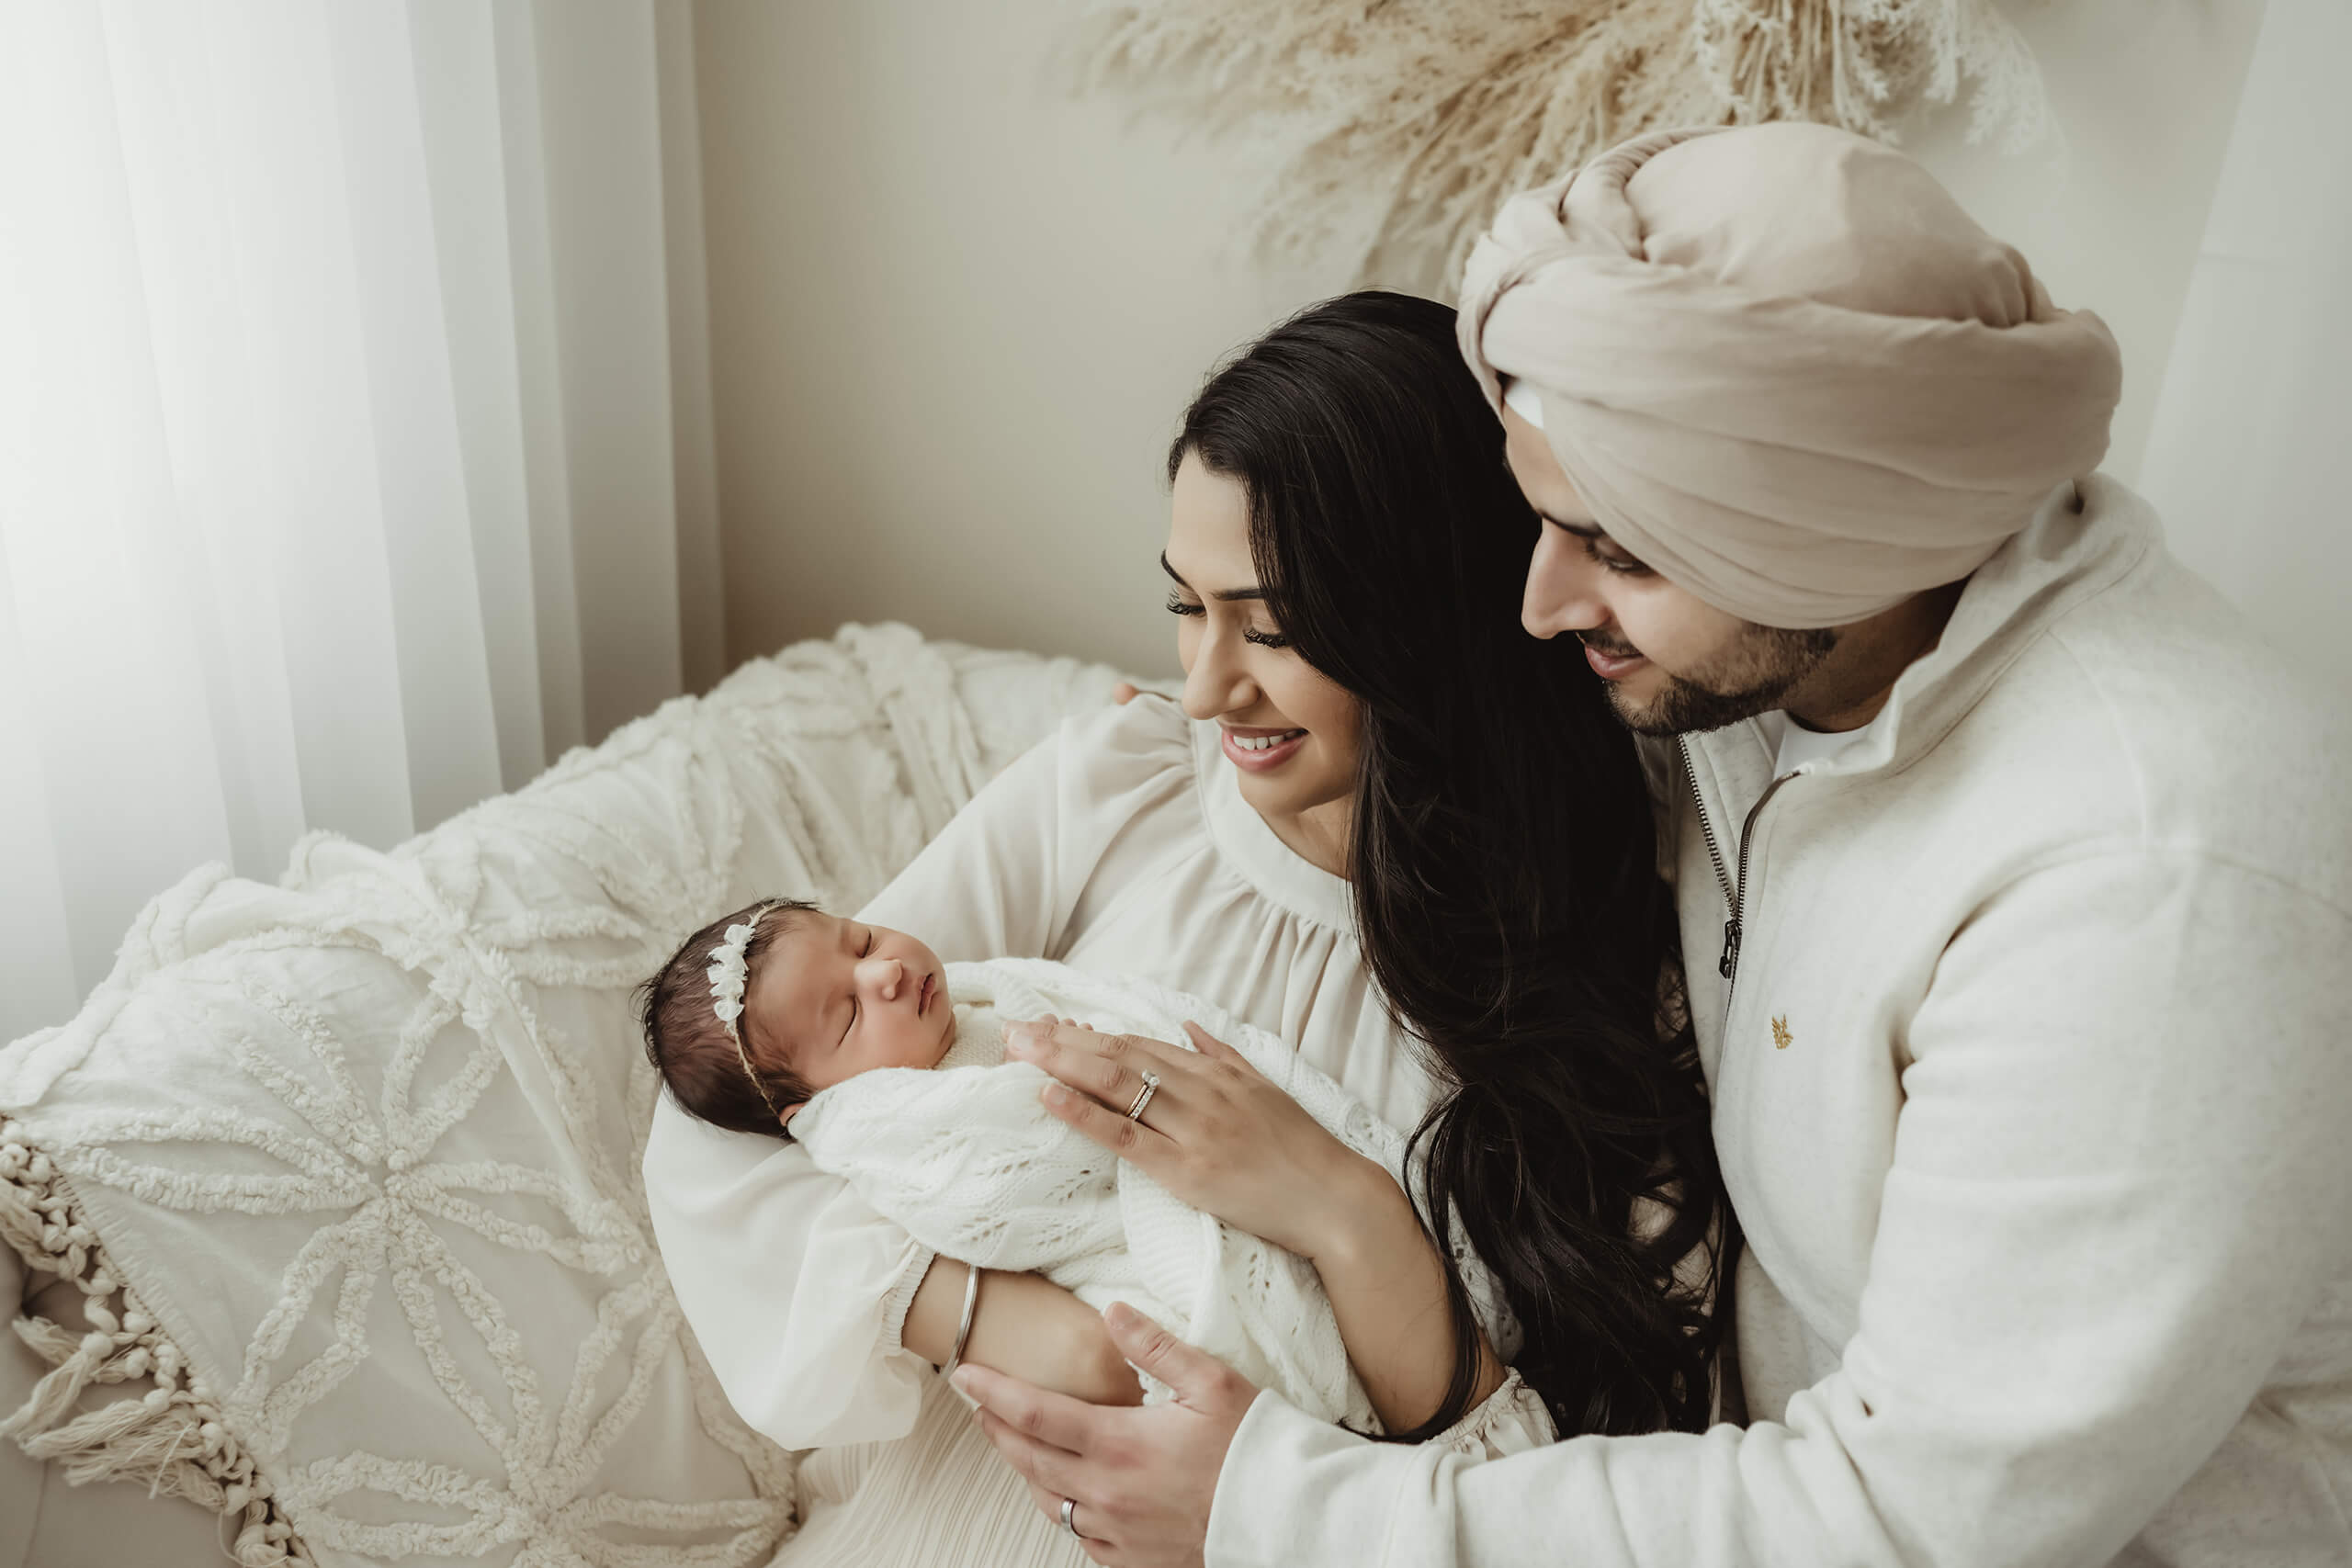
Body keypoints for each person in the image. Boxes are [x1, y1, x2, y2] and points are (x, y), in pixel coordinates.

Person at [957, 122, 2352, 1566]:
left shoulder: (2146, 880)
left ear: (1826, 536)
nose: (1542, 602)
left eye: (1619, 549)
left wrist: (1275, 1509)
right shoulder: (1769, 661)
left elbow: (1903, 1523)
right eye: (1544, 520)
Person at [639, 291, 1724, 1566]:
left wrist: (1344, 1213)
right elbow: (737, 1094)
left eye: (1269, 626)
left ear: (1432, 621)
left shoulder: (1617, 957)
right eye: (1185, 606)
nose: (1205, 687)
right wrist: (1011, 1322)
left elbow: (1573, 1501)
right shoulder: (1123, 786)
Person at [635, 899, 1525, 1430]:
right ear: (817, 1110)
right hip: (1140, 1244)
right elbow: (1001, 1188)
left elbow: (1122, 1020)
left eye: (861, 940)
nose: (887, 975)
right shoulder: (893, 1134)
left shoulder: (983, 992)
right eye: (846, 1016)